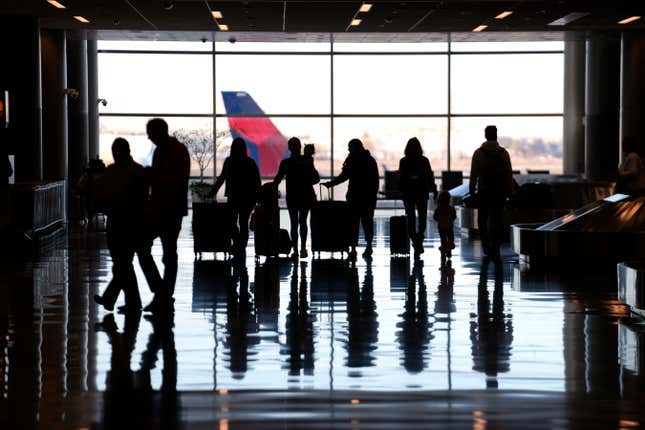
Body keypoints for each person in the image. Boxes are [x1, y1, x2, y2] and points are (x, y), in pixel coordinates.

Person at [137, 118, 190, 313]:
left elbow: (173, 180)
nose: (149, 137)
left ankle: (162, 294)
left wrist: (152, 176)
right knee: (166, 253)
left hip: (167, 209)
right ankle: (163, 294)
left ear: (159, 132)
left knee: (153, 250)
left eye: (150, 133)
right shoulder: (170, 150)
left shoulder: (173, 151)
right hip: (167, 209)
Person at [94, 138, 148, 312]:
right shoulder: (138, 171)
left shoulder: (111, 171)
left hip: (118, 222)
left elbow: (103, 194)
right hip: (132, 222)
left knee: (122, 264)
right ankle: (128, 302)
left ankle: (118, 300)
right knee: (124, 264)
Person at [323, 138, 379, 259]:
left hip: (354, 196)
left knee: (353, 224)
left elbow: (343, 176)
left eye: (350, 147)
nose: (348, 149)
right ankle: (369, 246)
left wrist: (330, 184)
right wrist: (373, 196)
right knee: (367, 223)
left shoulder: (351, 160)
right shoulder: (370, 160)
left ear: (354, 148)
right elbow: (375, 181)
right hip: (368, 198)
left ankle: (353, 249)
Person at [469, 125, 513, 261]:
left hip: (484, 191)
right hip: (499, 192)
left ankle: (486, 247)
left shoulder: (478, 153)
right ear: (496, 135)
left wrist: (472, 190)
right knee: (497, 219)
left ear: (485, 135)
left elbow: (473, 174)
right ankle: (496, 246)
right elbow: (508, 174)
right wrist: (509, 191)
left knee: (482, 219)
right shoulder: (504, 153)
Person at [211, 137, 261, 256]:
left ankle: (238, 244)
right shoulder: (250, 162)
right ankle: (240, 247)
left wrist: (213, 191)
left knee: (231, 222)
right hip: (248, 198)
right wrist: (258, 197)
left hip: (234, 196)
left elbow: (222, 178)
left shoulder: (229, 161)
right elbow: (257, 182)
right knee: (243, 223)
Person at [274, 137, 320, 259]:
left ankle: (295, 250)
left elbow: (277, 179)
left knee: (294, 224)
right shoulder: (307, 161)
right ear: (300, 147)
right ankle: (303, 248)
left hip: (293, 196)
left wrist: (270, 188)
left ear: (289, 148)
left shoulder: (286, 163)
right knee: (303, 222)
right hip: (305, 195)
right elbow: (316, 179)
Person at [398, 137, 437, 255]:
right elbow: (430, 177)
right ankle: (419, 239)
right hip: (421, 192)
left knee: (410, 218)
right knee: (422, 218)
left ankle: (414, 239)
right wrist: (434, 190)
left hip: (408, 193)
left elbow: (402, 178)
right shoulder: (424, 160)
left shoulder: (403, 161)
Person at [433, 190, 457, 263]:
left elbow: (435, 217)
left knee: (443, 239)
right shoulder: (451, 208)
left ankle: (443, 251)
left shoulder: (438, 209)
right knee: (450, 238)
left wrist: (440, 220)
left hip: (441, 226)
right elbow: (454, 216)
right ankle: (449, 249)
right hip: (449, 226)